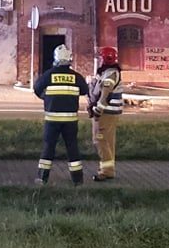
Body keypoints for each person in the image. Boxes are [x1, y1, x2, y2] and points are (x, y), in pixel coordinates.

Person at [33, 44, 89, 185]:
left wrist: (47, 98)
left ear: (55, 59)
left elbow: (37, 88)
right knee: (72, 148)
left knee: (48, 147)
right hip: (70, 121)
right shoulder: (76, 77)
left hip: (52, 120)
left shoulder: (48, 75)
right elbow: (84, 90)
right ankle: (78, 180)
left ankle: (42, 178)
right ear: (69, 59)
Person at [88, 46, 124, 181]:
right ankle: (108, 169)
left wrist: (98, 110)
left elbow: (105, 94)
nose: (98, 60)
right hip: (108, 113)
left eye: (100, 57)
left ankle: (107, 171)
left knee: (100, 140)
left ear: (104, 58)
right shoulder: (107, 72)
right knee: (107, 141)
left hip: (106, 113)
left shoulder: (110, 74)